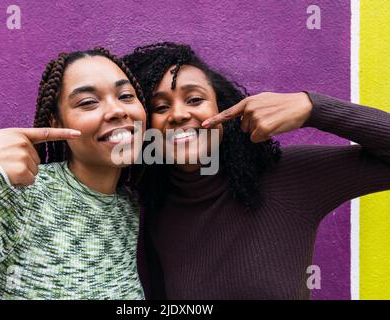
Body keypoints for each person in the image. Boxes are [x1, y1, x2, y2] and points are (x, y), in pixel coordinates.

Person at [123, 42, 390, 299]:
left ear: (223, 108)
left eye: (194, 99)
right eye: (160, 106)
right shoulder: (153, 212)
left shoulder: (289, 176)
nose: (179, 114)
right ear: (146, 127)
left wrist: (312, 108)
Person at [0, 47, 147, 299]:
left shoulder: (133, 208)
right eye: (88, 102)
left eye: (126, 96)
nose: (117, 110)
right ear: (55, 121)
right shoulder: (19, 197)